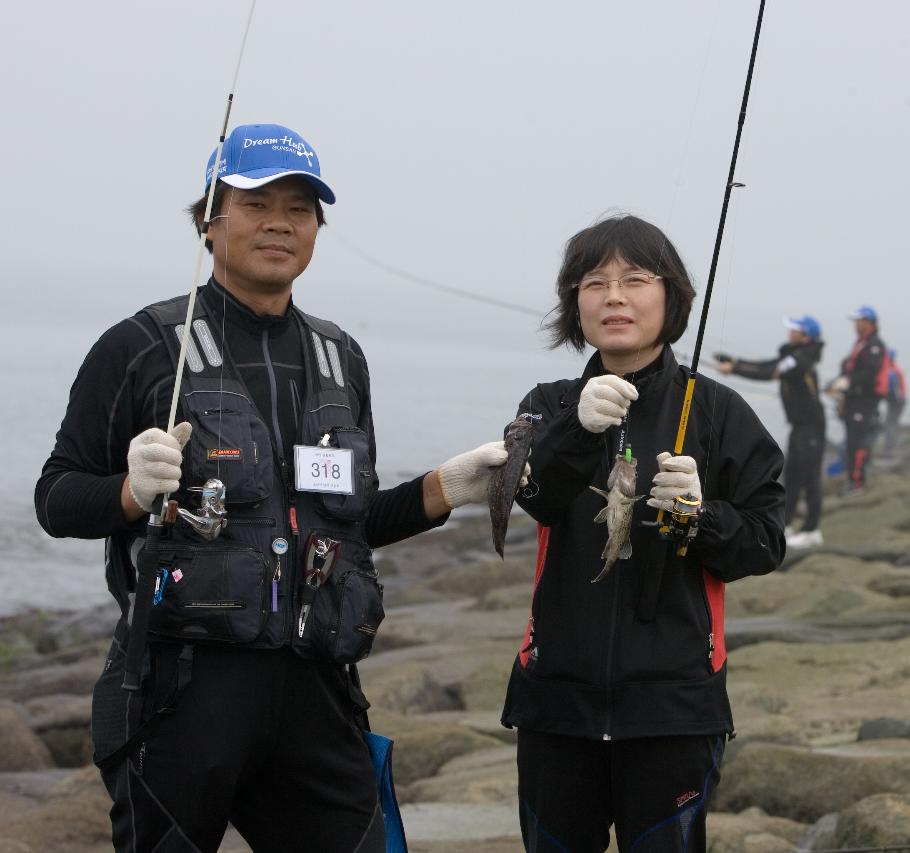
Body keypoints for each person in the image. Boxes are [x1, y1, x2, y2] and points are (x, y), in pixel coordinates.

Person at [33, 123, 521, 852]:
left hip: (317, 690)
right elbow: (55, 497)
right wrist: (130, 492)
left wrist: (449, 486)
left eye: (300, 208)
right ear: (208, 218)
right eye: (256, 202)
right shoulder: (139, 347)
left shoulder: (340, 358)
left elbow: (347, 526)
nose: (279, 223)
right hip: (183, 690)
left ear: (318, 227)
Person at [500, 214, 785, 851]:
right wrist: (577, 428)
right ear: (575, 301)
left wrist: (698, 515)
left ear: (671, 296)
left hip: (675, 707)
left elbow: (766, 542)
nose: (615, 297)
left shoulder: (717, 411)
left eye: (635, 279)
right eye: (594, 282)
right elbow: (535, 499)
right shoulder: (547, 404)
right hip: (556, 702)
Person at [716, 315, 825, 548]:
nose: (790, 332)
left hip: (811, 428)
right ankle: (786, 525)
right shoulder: (794, 355)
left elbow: (770, 372)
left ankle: (812, 530)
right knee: (793, 476)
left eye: (794, 329)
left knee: (810, 478)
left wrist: (735, 369)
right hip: (800, 428)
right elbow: (768, 364)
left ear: (804, 335)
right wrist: (736, 362)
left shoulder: (801, 358)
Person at [829, 306, 888, 494]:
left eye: (859, 321)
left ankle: (858, 482)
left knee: (858, 442)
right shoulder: (861, 343)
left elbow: (869, 372)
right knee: (852, 441)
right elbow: (849, 368)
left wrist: (846, 382)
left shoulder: (874, 344)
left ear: (869, 322)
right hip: (853, 401)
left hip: (865, 402)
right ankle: (852, 479)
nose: (855, 324)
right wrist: (837, 387)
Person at [882, 348, 908, 456]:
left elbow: (893, 389)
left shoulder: (891, 371)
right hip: (898, 400)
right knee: (893, 422)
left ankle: (889, 448)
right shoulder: (896, 369)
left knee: (890, 423)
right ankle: (891, 445)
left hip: (896, 400)